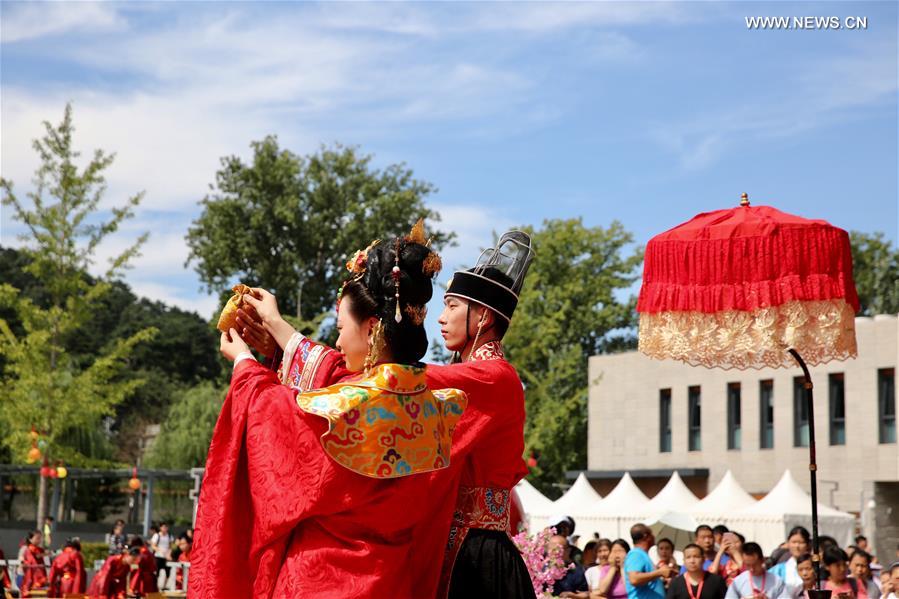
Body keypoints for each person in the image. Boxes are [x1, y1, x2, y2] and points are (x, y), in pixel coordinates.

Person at [235, 227, 538, 599]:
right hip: (445, 540)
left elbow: (386, 385)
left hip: (474, 557)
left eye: (453, 306)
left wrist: (281, 333)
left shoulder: (494, 379)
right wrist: (283, 341)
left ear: (484, 318)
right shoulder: (470, 377)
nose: (440, 317)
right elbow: (382, 385)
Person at [190, 229, 468, 598]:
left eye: (340, 328)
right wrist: (276, 326)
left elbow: (272, 414)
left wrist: (244, 364)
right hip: (392, 580)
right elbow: (337, 373)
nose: (336, 343)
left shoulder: (346, 405)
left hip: (322, 579)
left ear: (371, 328)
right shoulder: (435, 406)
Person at [624, 524, 669, 599]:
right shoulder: (636, 554)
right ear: (646, 536)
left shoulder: (641, 555)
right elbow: (634, 579)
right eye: (651, 534)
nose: (654, 536)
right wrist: (659, 572)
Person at [770, 526, 811, 591]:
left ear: (808, 544)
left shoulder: (815, 567)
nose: (797, 546)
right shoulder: (778, 570)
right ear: (788, 543)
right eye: (794, 542)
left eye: (801, 542)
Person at [20, 530, 48, 596]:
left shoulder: (38, 549)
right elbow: (38, 555)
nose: (39, 540)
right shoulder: (31, 548)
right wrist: (50, 553)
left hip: (38, 575)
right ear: (30, 539)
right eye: (37, 538)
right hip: (32, 575)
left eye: (40, 538)